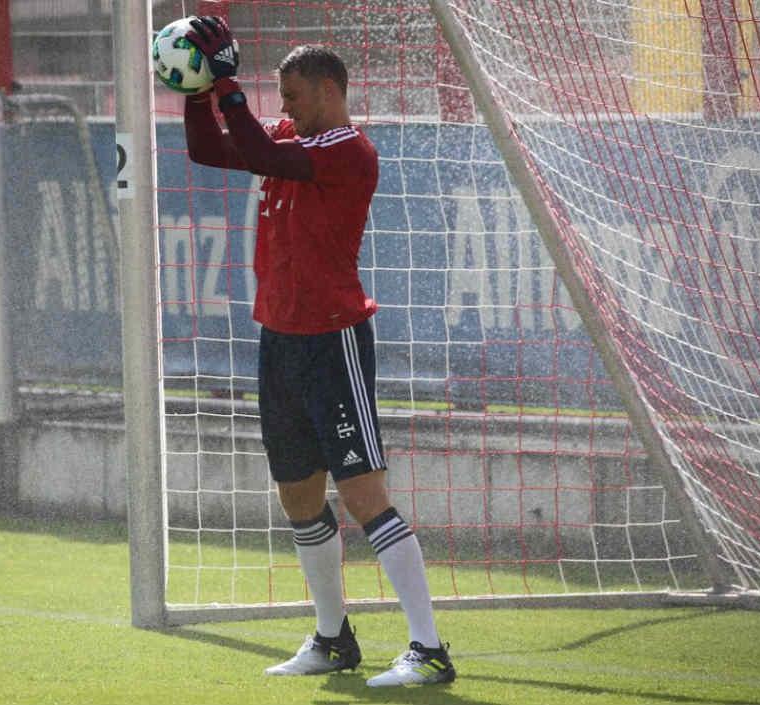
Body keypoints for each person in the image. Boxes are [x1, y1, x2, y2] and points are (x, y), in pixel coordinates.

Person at [181, 16, 456, 688]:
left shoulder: (347, 149)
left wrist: (228, 86)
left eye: (293, 97)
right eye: (279, 99)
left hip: (331, 341)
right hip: (279, 341)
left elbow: (263, 152)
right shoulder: (289, 137)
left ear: (328, 92)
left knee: (364, 493)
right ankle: (334, 639)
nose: (284, 109)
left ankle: (429, 648)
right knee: (299, 496)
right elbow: (213, 153)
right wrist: (196, 92)